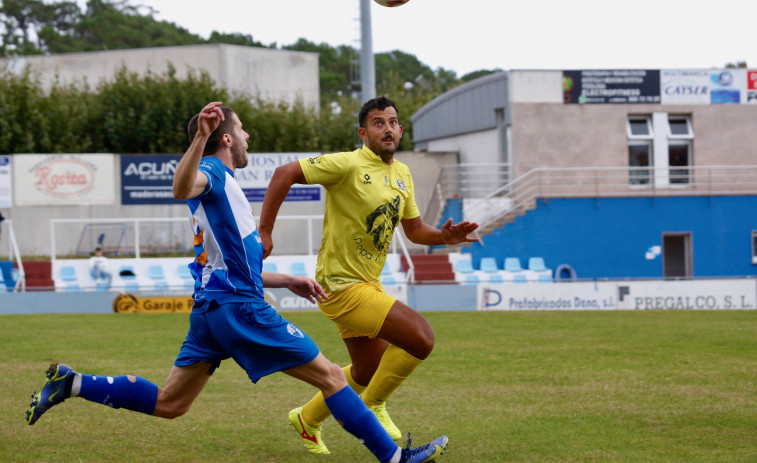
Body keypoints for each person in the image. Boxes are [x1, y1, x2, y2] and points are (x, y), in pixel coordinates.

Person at [25, 102, 448, 463]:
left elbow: (231, 263)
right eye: (241, 130)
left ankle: (73, 382)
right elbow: (180, 186)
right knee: (333, 379)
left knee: (171, 404)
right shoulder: (212, 171)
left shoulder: (226, 189)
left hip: (212, 309)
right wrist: (199, 139)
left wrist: (285, 279)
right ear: (226, 138)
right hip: (240, 309)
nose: (247, 137)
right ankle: (395, 458)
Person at [259, 96, 478, 454]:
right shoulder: (347, 164)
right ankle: (371, 407)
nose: (387, 128)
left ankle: (307, 418)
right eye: (378, 123)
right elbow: (285, 174)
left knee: (365, 369)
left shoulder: (402, 173)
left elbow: (415, 230)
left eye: (393, 122)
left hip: (367, 282)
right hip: (340, 285)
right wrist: (265, 231)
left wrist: (443, 237)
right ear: (363, 132)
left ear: (401, 130)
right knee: (421, 338)